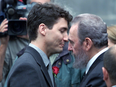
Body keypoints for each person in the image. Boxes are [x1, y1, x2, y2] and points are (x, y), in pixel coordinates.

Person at [5, 3, 72, 87]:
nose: (66, 38)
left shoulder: (39, 62)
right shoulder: (27, 67)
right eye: (62, 31)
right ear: (43, 29)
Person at [0, 0, 52, 86]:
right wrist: (3, 44)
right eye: (34, 7)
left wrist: (33, 37)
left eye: (45, 8)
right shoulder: (9, 42)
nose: (41, 13)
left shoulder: (58, 41)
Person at [68, 13, 108, 87]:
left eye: (72, 42)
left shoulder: (99, 75)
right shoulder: (103, 65)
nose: (69, 48)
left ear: (87, 43)